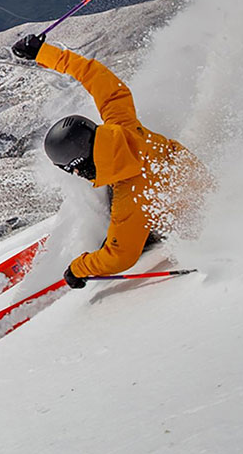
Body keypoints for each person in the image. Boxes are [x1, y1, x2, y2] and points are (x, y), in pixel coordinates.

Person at [11, 33, 206, 288]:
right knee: (111, 193)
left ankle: (145, 238)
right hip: (186, 177)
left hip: (187, 218)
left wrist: (79, 267)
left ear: (80, 164)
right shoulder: (121, 123)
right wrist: (42, 53)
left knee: (124, 225)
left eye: (74, 171)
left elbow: (120, 258)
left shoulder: (131, 199)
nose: (78, 175)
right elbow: (95, 75)